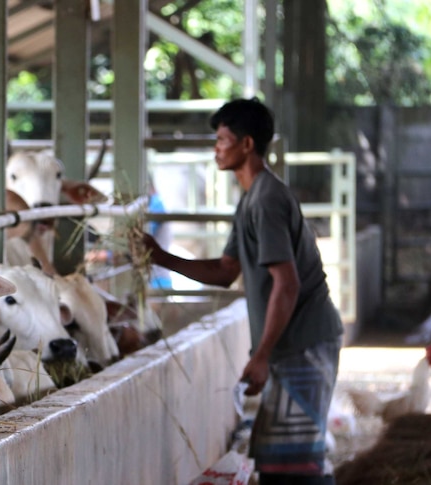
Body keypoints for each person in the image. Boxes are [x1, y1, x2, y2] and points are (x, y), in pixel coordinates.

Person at [129, 98, 343, 485]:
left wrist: (261, 354)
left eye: (223, 139)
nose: (216, 148)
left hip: (305, 343)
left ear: (246, 144)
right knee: (278, 460)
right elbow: (226, 271)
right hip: (292, 344)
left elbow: (287, 283)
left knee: (294, 465)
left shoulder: (266, 200)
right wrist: (158, 255)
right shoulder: (251, 200)